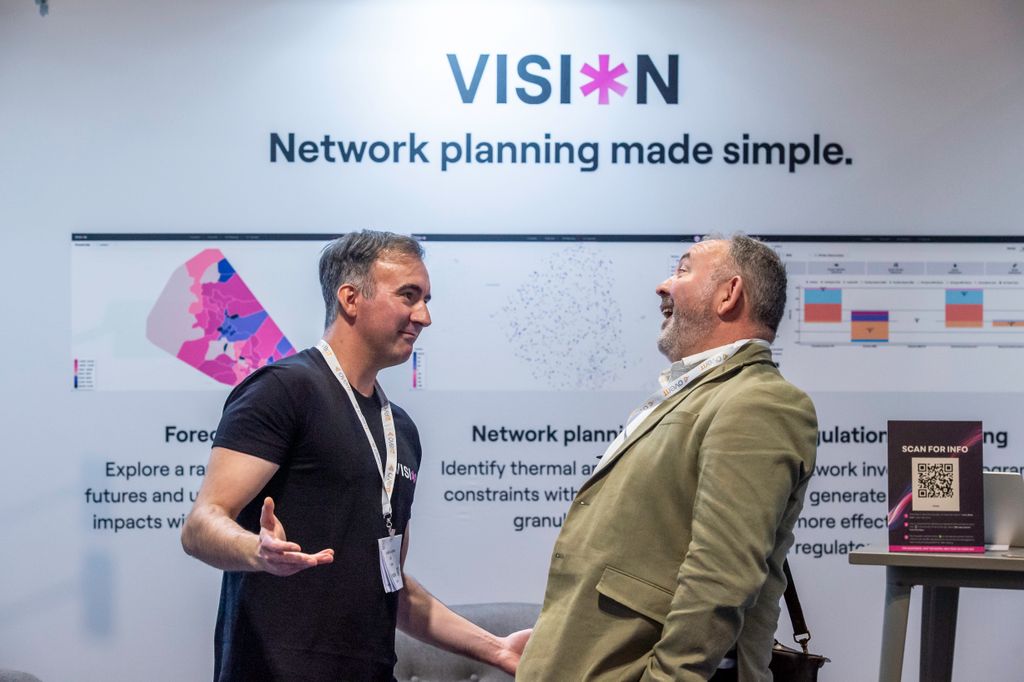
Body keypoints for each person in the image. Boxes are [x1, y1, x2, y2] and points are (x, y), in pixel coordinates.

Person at [181, 230, 527, 682]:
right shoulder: (283, 390)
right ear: (350, 299)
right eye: (408, 296)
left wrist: (497, 649)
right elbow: (200, 526)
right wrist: (257, 551)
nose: (424, 316)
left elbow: (391, 584)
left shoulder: (401, 428)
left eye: (425, 299)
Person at [516, 235, 818, 681]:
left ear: (729, 294)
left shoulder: (759, 402)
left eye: (682, 270)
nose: (663, 285)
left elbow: (721, 575)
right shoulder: (699, 393)